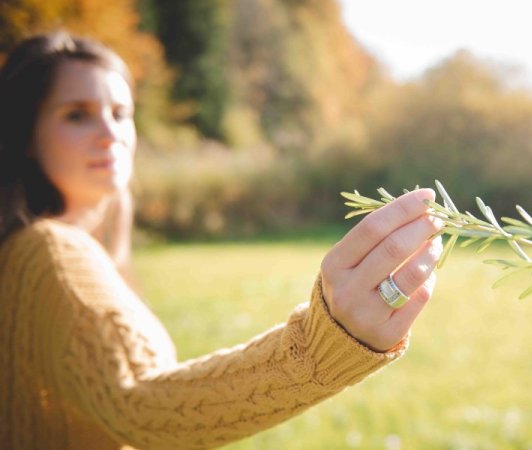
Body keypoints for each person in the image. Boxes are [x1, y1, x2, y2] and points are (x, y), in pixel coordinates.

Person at [0, 31, 443, 450]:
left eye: (120, 113)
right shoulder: (52, 252)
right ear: (27, 137)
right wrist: (326, 342)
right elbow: (144, 408)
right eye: (76, 114)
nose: (109, 132)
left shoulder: (33, 252)